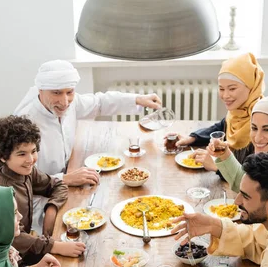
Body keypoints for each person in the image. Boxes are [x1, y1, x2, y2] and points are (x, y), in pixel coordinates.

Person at [14, 59, 162, 230]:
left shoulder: (70, 103)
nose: (64, 102)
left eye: (69, 92)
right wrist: (65, 179)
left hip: (69, 175)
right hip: (39, 196)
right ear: (40, 90)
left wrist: (137, 99)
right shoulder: (25, 122)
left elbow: (99, 103)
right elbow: (19, 178)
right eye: (56, 93)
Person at [0, 115, 85, 263]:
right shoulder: (2, 193)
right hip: (7, 263)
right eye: (22, 154)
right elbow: (16, 238)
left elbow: (57, 185)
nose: (30, 160)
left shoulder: (27, 172)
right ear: (2, 157)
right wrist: (55, 246)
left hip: (24, 252)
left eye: (33, 151)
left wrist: (51, 209)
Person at [169, 52, 264, 171]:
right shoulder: (237, 113)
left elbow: (253, 180)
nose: (225, 95)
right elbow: (220, 127)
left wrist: (218, 168)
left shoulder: (261, 123)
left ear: (251, 87)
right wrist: (192, 138)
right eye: (221, 88)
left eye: (232, 88)